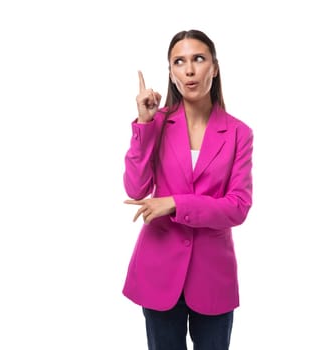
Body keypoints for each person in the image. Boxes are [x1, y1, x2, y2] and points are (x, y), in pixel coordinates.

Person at [122, 29, 253, 350]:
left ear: (215, 67)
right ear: (171, 72)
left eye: (198, 59)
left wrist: (175, 203)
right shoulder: (157, 121)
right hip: (158, 270)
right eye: (179, 62)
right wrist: (143, 125)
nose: (190, 70)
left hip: (213, 275)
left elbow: (237, 207)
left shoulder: (239, 133)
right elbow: (136, 188)